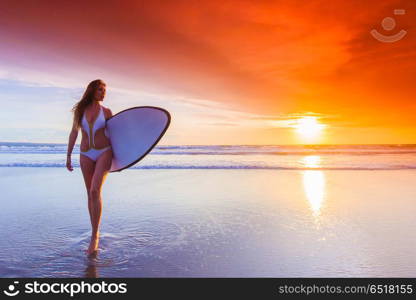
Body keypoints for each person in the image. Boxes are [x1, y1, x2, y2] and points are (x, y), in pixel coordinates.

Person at [66, 79, 113, 256]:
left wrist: (122, 160)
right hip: (85, 154)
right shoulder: (80, 111)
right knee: (89, 193)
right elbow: (74, 132)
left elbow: (116, 134)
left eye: (104, 90)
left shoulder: (107, 112)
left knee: (95, 191)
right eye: (100, 90)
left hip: (104, 152)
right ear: (92, 91)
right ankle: (94, 228)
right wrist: (69, 155)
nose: (103, 93)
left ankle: (95, 235)